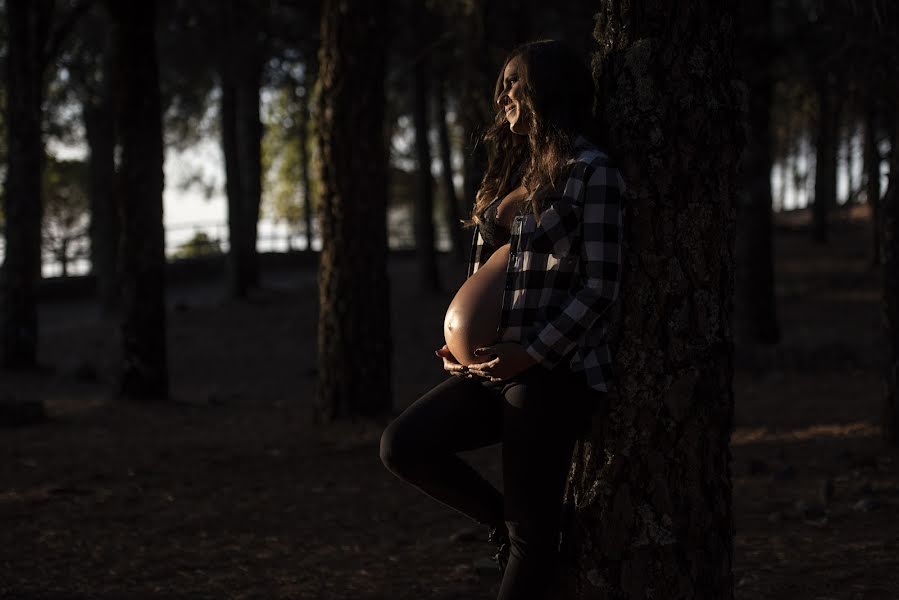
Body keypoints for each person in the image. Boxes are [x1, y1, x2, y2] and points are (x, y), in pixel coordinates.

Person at [379, 39, 625, 600]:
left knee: (530, 535)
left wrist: (532, 352)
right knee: (404, 446)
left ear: (550, 89)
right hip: (498, 368)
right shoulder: (517, 174)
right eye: (503, 83)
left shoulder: (594, 173)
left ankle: (526, 538)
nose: (505, 93)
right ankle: (509, 526)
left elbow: (601, 286)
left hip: (554, 372)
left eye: (517, 81)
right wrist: (464, 343)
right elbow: (490, 272)